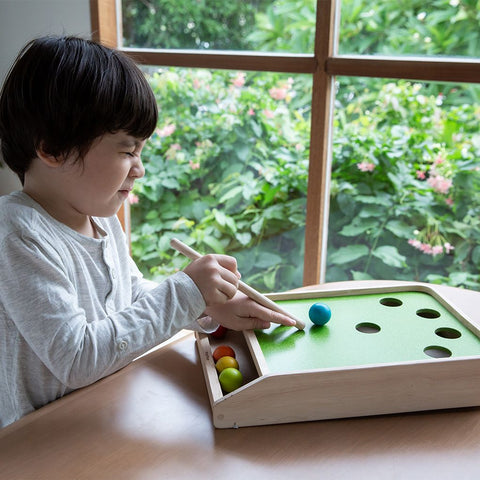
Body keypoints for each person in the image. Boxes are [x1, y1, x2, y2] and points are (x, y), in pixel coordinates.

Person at [0, 35, 295, 428]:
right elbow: (77, 359)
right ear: (53, 149)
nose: (139, 169)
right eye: (127, 151)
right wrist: (186, 292)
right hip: (40, 439)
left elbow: (130, 297)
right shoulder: (17, 234)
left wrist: (206, 307)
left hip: (105, 410)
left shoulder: (99, 217)